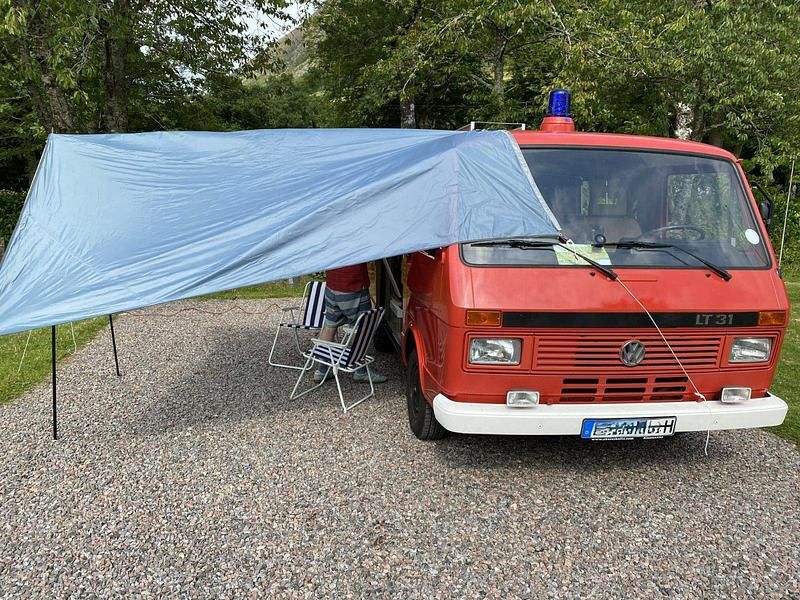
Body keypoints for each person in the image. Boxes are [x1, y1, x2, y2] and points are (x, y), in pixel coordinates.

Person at [314, 263, 388, 383]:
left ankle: (322, 370)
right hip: (353, 285)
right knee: (360, 329)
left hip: (332, 285)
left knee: (329, 326)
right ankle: (360, 372)